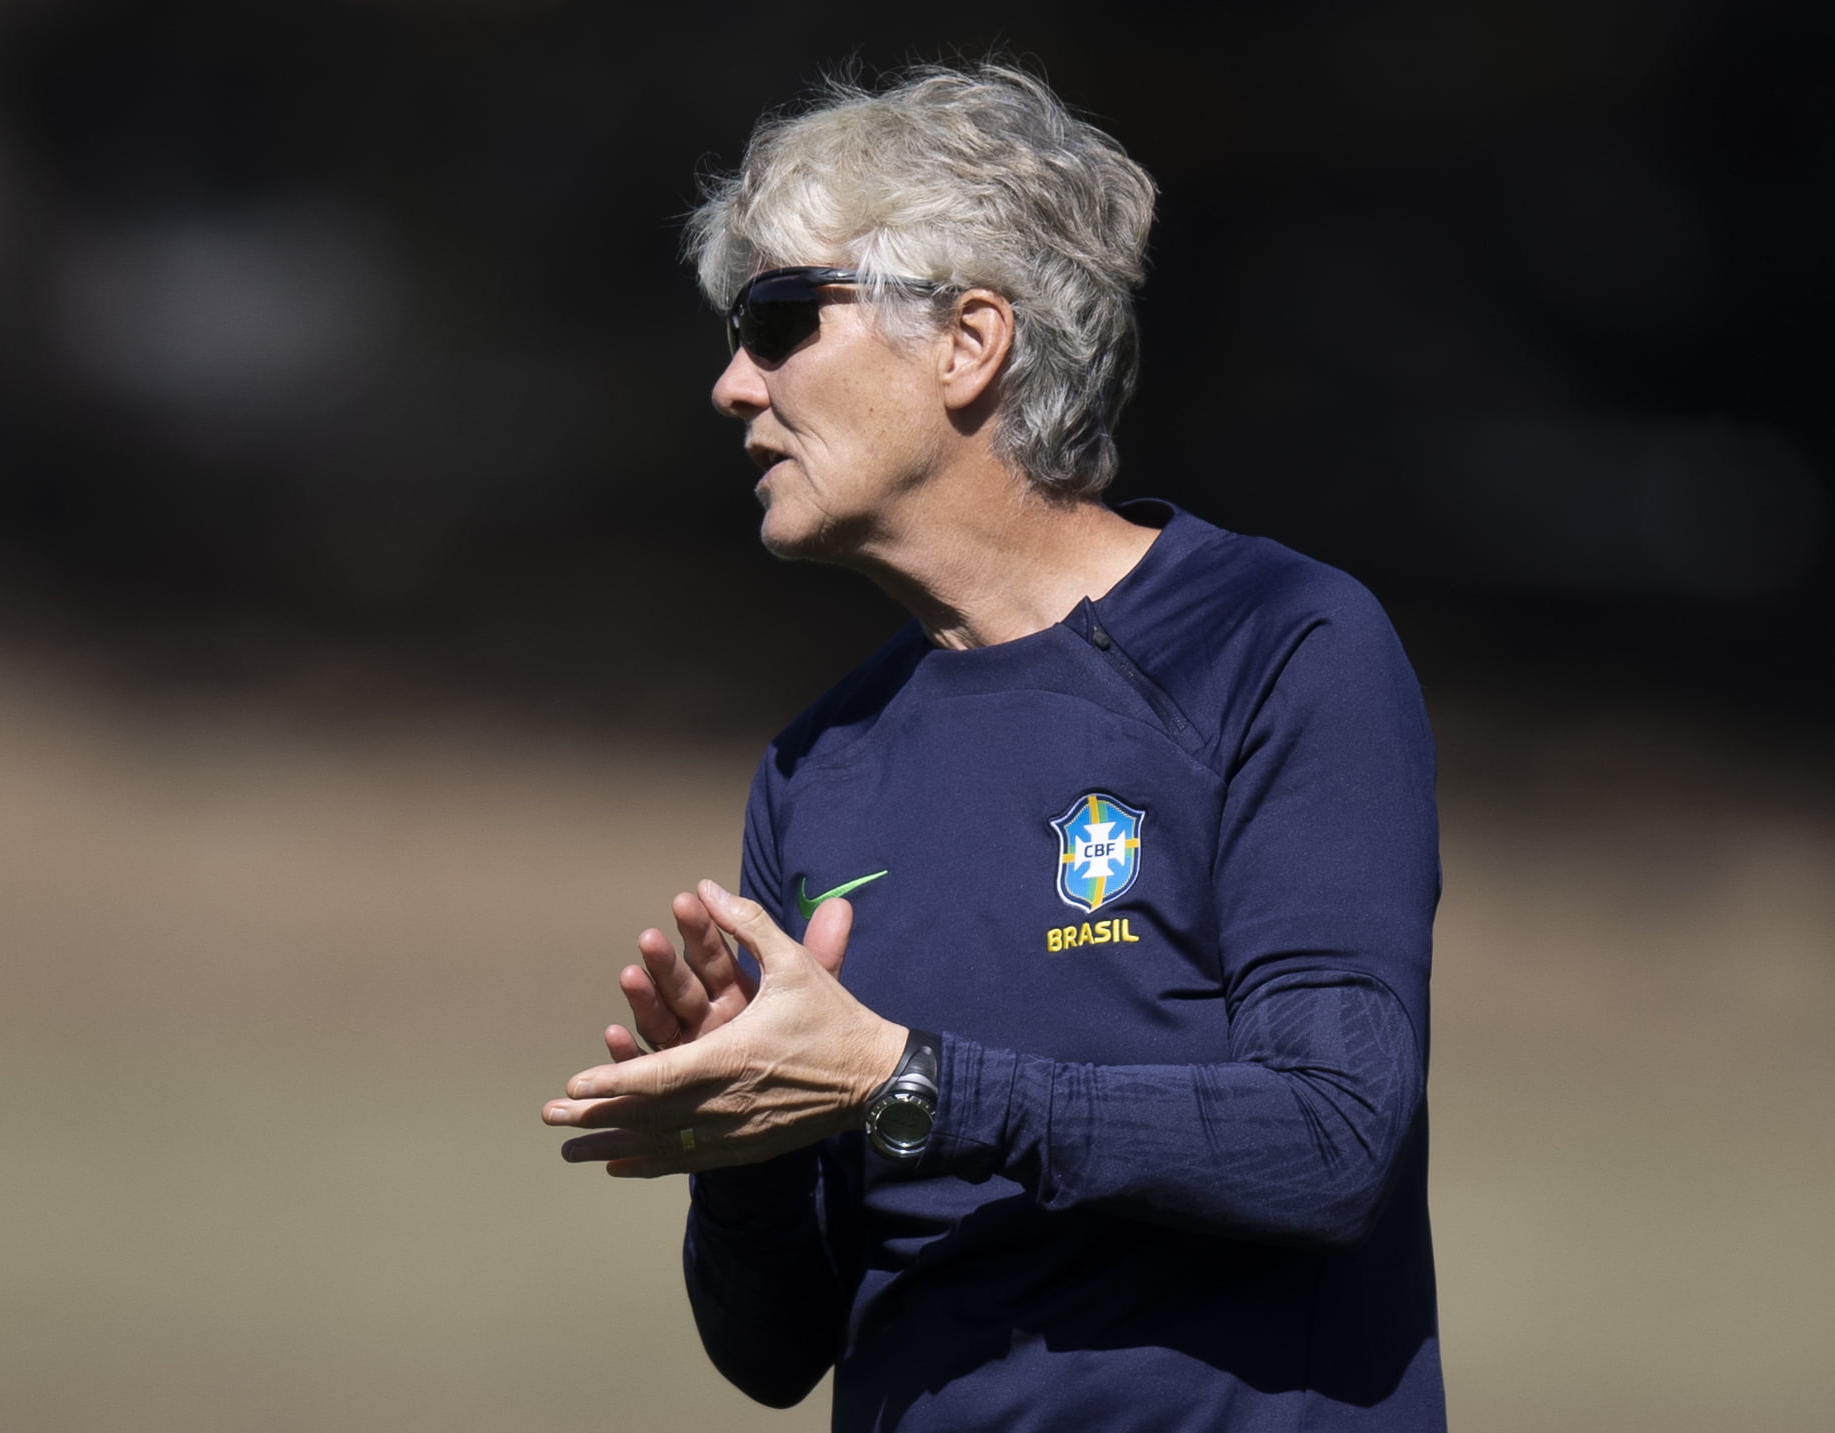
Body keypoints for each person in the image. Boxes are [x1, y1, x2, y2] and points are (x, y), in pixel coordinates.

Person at [544, 63, 1445, 1431]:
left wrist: (901, 1080)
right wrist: (744, 1135)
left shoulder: (1278, 643)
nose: (730, 386)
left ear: (969, 341)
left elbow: (1331, 1139)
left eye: (779, 322)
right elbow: (772, 1350)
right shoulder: (816, 765)